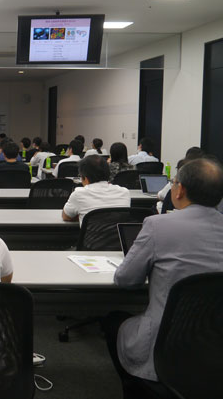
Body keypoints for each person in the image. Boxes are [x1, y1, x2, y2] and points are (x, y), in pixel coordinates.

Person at [104, 158, 223, 395]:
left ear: (180, 190)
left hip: (166, 343)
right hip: (215, 343)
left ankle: (136, 388)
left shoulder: (158, 225)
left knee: (113, 321)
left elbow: (125, 279)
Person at [62, 155, 131, 226]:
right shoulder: (124, 192)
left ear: (85, 178)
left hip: (91, 233)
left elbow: (66, 217)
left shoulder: (78, 194)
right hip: (117, 233)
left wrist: (82, 215)